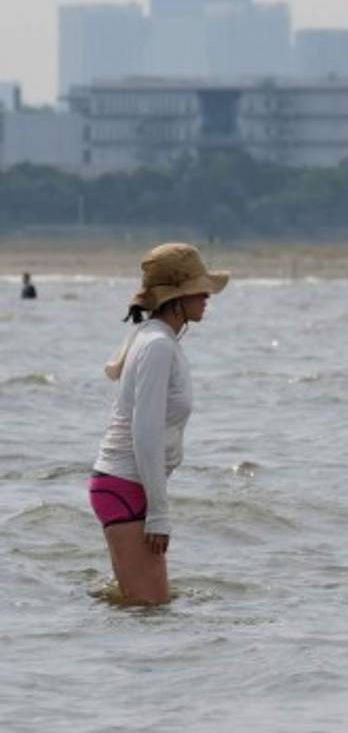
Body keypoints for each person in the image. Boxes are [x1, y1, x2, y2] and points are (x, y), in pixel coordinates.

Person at [90, 243, 228, 605]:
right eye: (200, 289)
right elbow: (144, 432)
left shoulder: (154, 337)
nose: (207, 297)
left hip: (128, 486)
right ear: (176, 296)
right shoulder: (157, 346)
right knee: (152, 611)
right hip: (125, 486)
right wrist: (159, 515)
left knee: (140, 608)